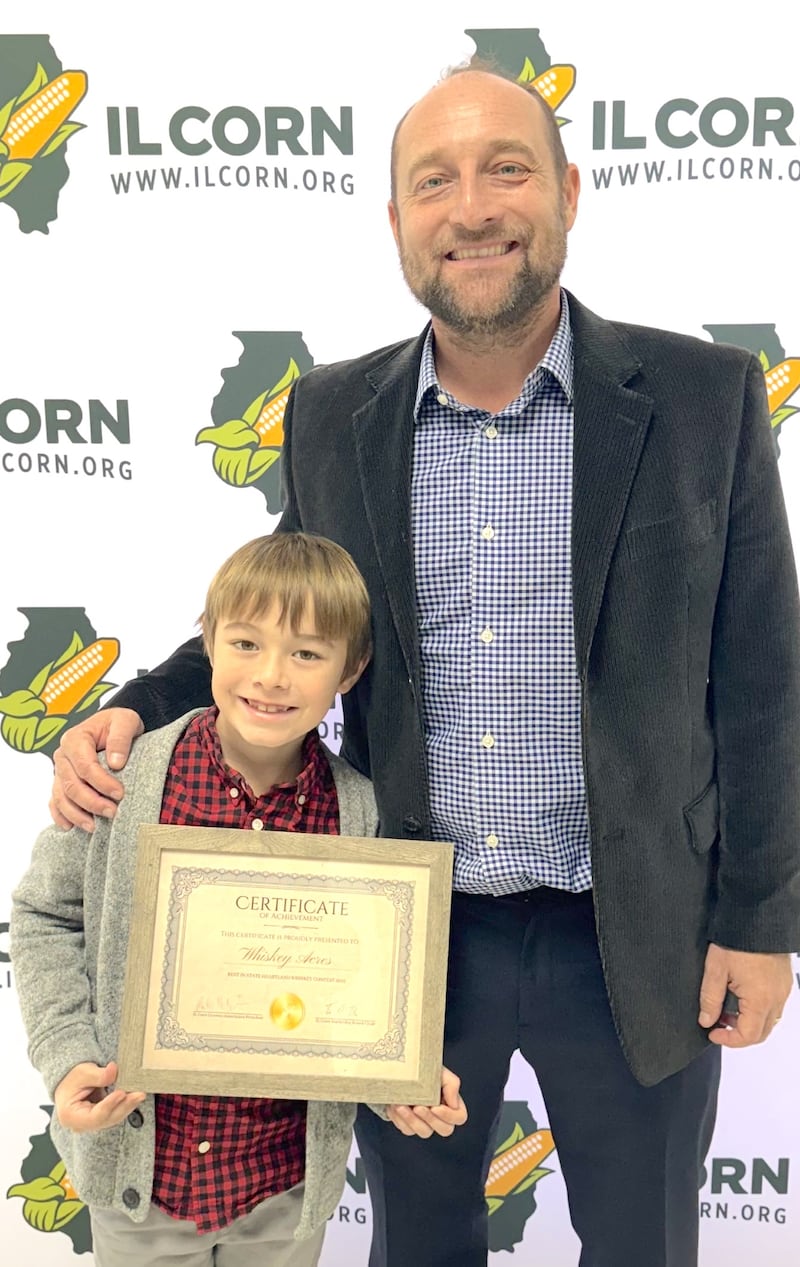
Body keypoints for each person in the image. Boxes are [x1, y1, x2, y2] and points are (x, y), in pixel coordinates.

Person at [47, 64, 799, 1267]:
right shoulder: (330, 412)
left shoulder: (703, 399)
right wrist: (129, 713)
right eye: (431, 181)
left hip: (638, 931)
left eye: (506, 168)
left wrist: (760, 918)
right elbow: (293, 623)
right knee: (419, 1243)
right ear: (395, 221)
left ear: (565, 189)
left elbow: (761, 672)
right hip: (403, 936)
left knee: (643, 1243)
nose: (472, 208)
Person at [12, 532, 466, 1267]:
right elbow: (44, 916)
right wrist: (68, 1058)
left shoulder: (364, 814)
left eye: (309, 654)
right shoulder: (120, 782)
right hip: (139, 1178)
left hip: (281, 1190)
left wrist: (404, 1080)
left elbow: (364, 991)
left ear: (351, 668)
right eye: (247, 643)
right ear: (209, 645)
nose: (272, 676)